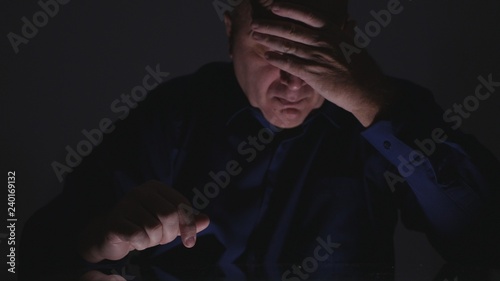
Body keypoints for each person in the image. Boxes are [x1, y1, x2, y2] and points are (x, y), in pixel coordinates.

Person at [21, 0, 500, 280]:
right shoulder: (175, 114)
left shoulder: (387, 112)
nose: (293, 80)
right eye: (271, 45)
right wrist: (95, 242)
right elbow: (19, 254)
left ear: (347, 42)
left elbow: (487, 241)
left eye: (313, 48)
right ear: (231, 33)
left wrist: (373, 101)